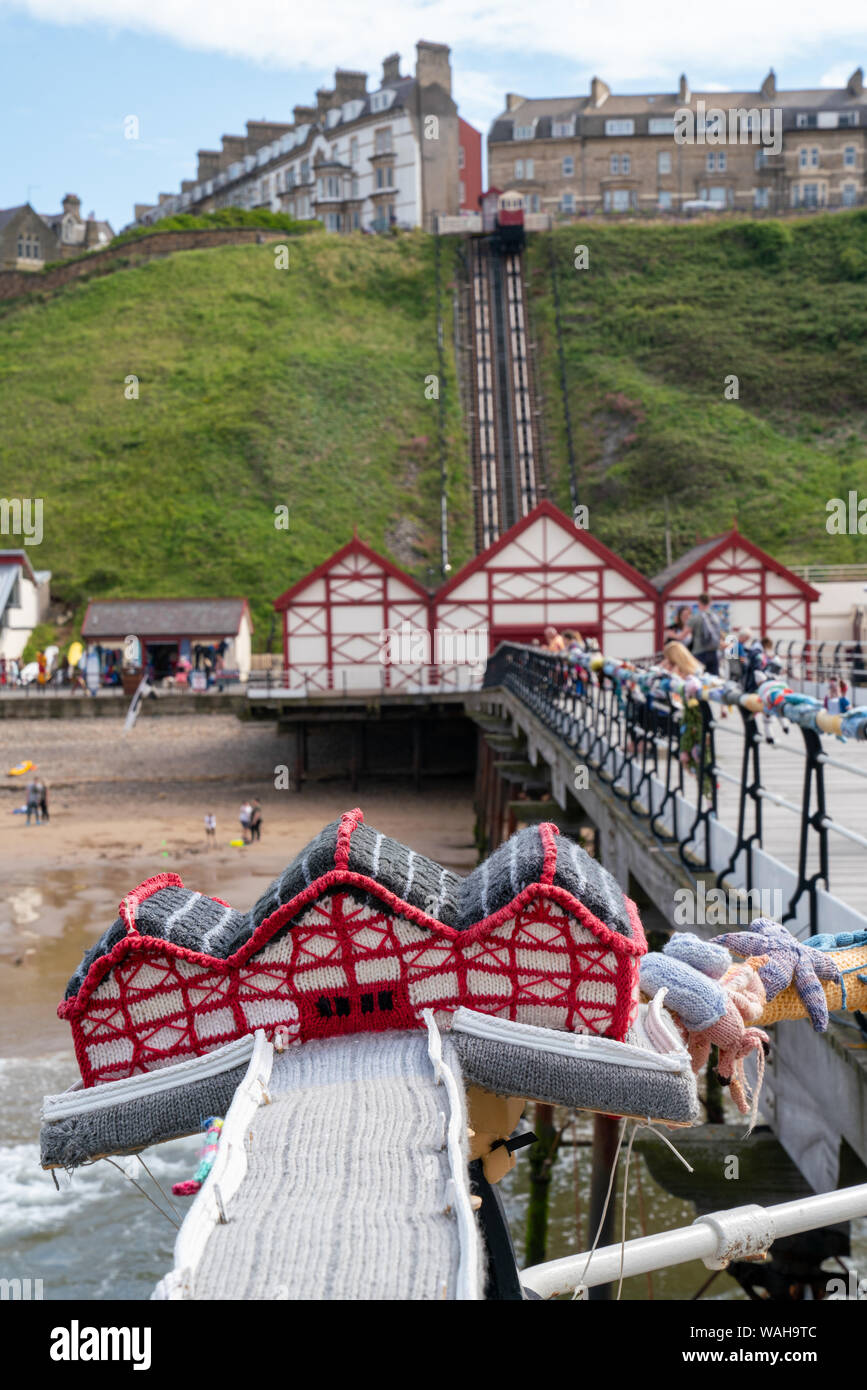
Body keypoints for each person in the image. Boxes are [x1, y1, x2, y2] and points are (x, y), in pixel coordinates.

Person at [688, 594, 722, 675]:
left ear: (699, 602)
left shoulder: (696, 617)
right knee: (714, 678)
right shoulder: (715, 617)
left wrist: (672, 635)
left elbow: (683, 635)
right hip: (713, 651)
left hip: (699, 651)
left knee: (698, 677)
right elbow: (719, 634)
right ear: (710, 603)